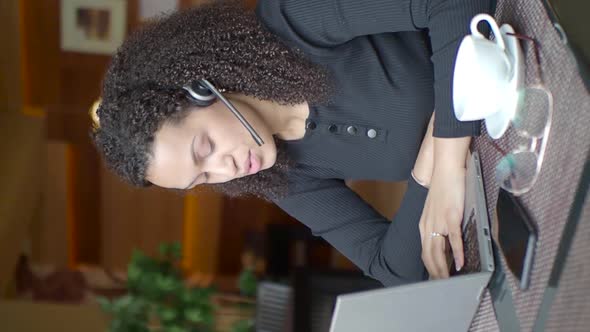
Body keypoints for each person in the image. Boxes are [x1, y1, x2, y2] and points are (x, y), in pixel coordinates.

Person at [91, 0, 494, 287]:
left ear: (202, 87)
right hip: (504, 165)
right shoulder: (281, 175)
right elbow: (395, 270)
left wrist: (447, 157)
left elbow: (453, 4)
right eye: (202, 178)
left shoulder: (292, 20)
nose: (224, 170)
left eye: (205, 149)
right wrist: (427, 173)